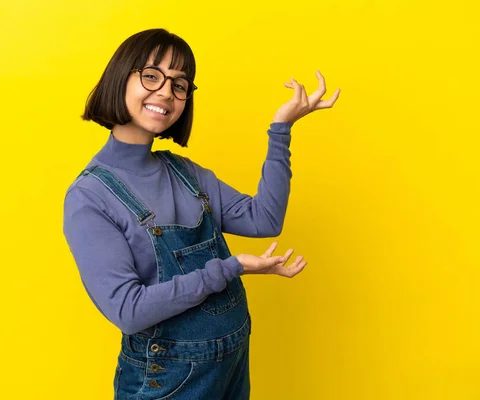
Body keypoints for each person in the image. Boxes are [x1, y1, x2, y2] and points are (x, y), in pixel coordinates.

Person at [63, 28, 340, 400]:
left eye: (180, 84)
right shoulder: (90, 197)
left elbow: (264, 220)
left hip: (230, 365)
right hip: (167, 382)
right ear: (120, 77)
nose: (166, 92)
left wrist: (281, 131)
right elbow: (128, 310)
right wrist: (230, 267)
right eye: (151, 76)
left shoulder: (185, 173)